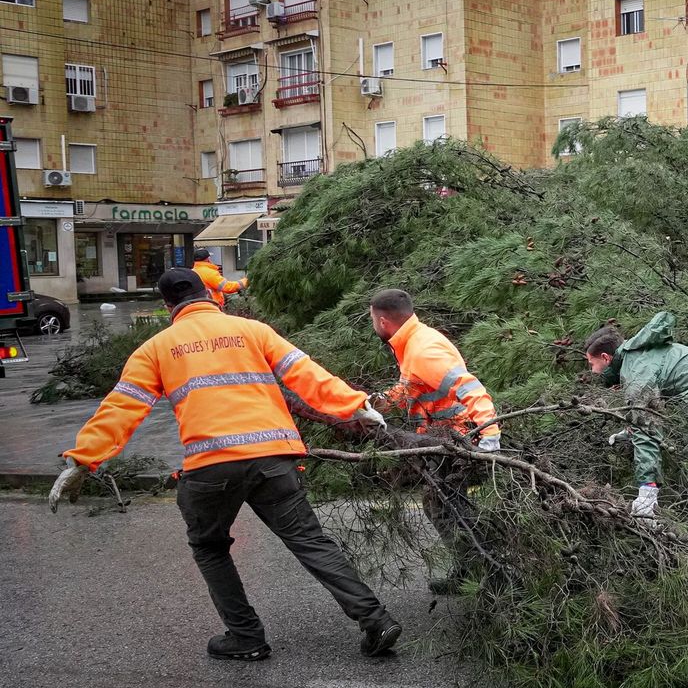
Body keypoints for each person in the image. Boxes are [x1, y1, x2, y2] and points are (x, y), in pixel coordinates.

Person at [50, 268, 400, 662]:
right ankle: (375, 619)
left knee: (210, 547)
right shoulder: (253, 330)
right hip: (273, 457)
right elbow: (306, 373)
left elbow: (122, 407)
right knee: (309, 540)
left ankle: (246, 636)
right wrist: (357, 406)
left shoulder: (156, 348)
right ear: (212, 295)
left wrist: (83, 459)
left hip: (212, 466)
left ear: (169, 308)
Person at [367, 289, 500, 592]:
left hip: (456, 441)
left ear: (384, 321)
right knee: (445, 505)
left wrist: (490, 436)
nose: (374, 325)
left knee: (444, 506)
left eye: (374, 320)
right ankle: (479, 568)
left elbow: (470, 387)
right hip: (445, 442)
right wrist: (376, 404)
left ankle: (483, 571)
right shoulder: (413, 342)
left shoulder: (423, 349)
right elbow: (410, 386)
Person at [583, 311, 688, 517]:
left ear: (605, 358)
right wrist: (629, 432)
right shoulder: (638, 357)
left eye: (592, 365)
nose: (592, 372)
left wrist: (647, 490)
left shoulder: (636, 369)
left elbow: (646, 429)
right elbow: (654, 413)